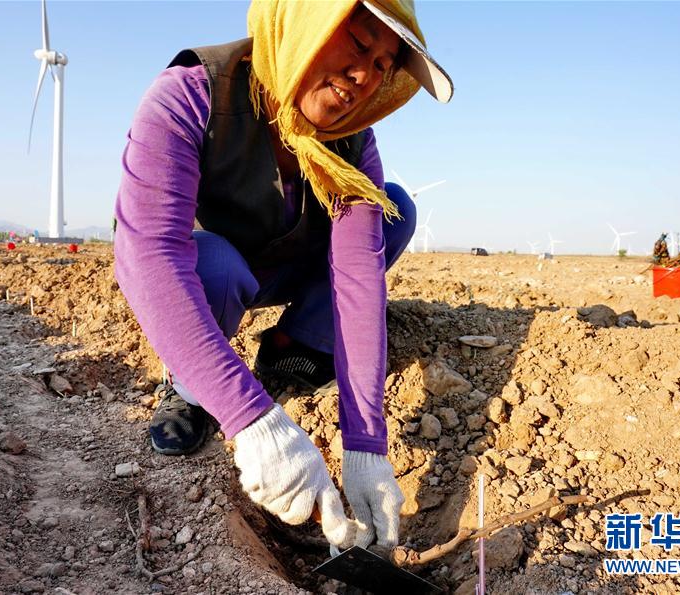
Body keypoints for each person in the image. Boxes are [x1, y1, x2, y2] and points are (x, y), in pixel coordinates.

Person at [114, 0, 453, 551]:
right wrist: (250, 419)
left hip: (291, 264)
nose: (365, 75)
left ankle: (289, 343)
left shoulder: (352, 140)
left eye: (384, 64)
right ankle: (191, 388)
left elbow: (359, 280)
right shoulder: (191, 95)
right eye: (359, 44)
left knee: (391, 210)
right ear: (304, 21)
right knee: (215, 264)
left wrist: (367, 447)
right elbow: (148, 254)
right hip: (213, 278)